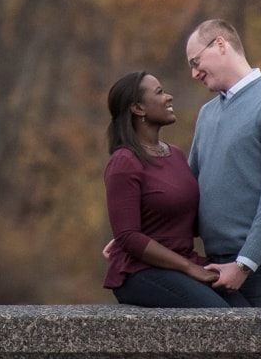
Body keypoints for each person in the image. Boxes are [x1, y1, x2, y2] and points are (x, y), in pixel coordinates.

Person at [103, 71, 249, 307]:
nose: (169, 97)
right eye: (159, 92)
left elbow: (186, 215)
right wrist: (190, 268)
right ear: (138, 108)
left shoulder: (175, 154)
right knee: (223, 320)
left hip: (183, 262)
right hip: (141, 271)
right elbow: (129, 237)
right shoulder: (124, 161)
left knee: (249, 318)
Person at [184, 19, 261, 307]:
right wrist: (138, 237)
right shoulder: (207, 114)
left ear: (221, 45)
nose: (193, 73)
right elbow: (187, 190)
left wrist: (245, 264)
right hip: (214, 263)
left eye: (196, 61)